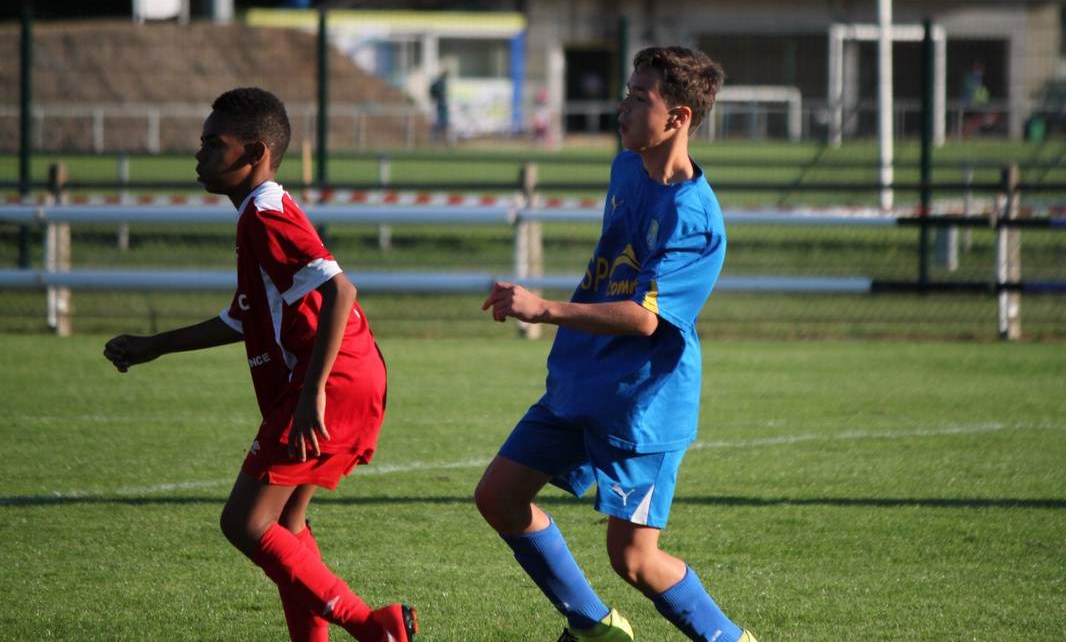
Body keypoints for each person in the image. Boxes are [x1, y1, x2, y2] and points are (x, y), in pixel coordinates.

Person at [102, 87, 418, 642]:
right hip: (343, 374)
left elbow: (341, 290)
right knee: (286, 528)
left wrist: (311, 392)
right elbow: (242, 318)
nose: (199, 155)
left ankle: (373, 627)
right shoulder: (255, 214)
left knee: (245, 523)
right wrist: (156, 345)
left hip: (330, 378)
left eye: (212, 144)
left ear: (253, 153)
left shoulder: (266, 213)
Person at [476, 47, 757, 642]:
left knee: (633, 560)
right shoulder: (626, 169)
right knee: (499, 497)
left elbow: (646, 318)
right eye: (626, 91)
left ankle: (730, 639)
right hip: (580, 382)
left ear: (678, 117)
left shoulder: (696, 218)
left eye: (638, 97)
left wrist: (545, 308)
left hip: (640, 406)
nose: (622, 106)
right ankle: (594, 627)